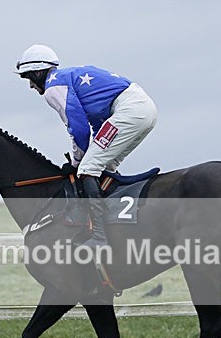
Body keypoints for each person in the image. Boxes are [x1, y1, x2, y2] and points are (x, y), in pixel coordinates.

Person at [15, 44, 157, 250]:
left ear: (38, 72)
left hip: (130, 110)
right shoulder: (67, 77)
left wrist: (76, 161)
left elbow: (78, 129)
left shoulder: (53, 87)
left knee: (88, 168)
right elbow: (95, 126)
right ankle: (116, 224)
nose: (30, 86)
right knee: (104, 167)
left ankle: (100, 235)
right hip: (141, 109)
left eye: (29, 77)